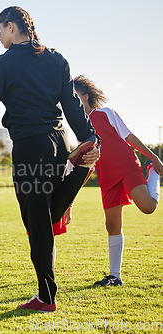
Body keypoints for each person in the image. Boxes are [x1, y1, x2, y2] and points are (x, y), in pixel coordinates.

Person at [0, 6, 100, 312]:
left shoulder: (3, 63)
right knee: (44, 216)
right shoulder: (57, 59)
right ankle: (78, 175)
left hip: (30, 145)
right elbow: (72, 107)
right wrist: (91, 137)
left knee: (37, 221)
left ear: (11, 26)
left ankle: (46, 297)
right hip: (59, 143)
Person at [74, 75, 162, 286]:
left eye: (74, 95)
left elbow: (129, 137)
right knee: (112, 225)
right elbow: (82, 163)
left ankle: (154, 174)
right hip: (107, 177)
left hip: (126, 166)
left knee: (148, 207)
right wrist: (70, 199)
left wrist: (154, 157)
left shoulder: (105, 114)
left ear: (85, 97)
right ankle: (115, 277)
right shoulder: (79, 129)